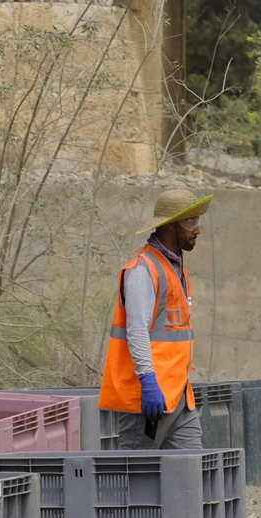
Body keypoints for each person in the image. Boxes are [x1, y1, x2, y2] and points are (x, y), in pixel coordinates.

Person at [97, 188, 212, 449]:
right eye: (190, 222)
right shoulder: (142, 269)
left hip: (179, 400)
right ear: (171, 227)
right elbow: (136, 332)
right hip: (148, 402)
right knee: (136, 481)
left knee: (190, 477)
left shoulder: (175, 267)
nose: (197, 229)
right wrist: (148, 382)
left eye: (197, 221)